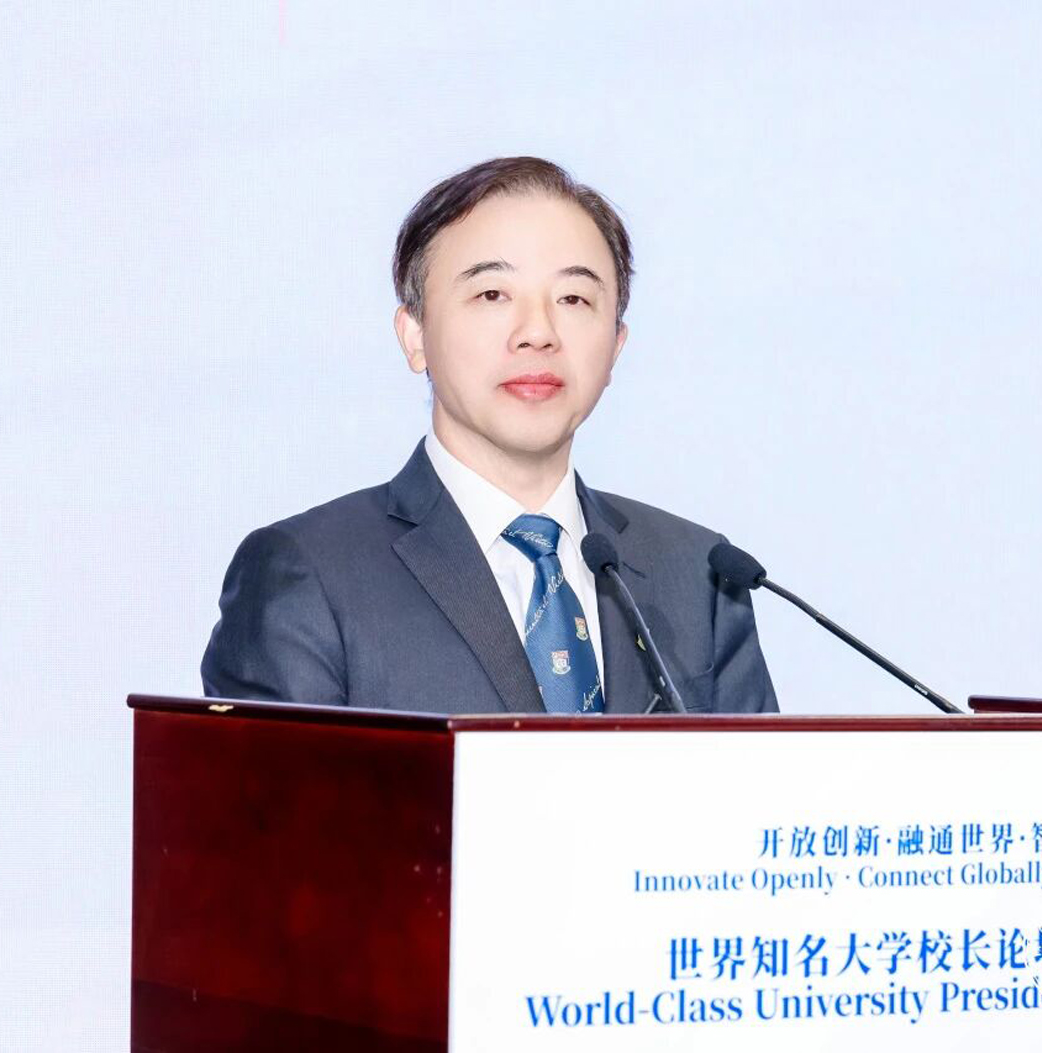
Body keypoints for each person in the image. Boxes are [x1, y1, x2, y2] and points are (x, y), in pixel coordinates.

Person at [200, 156, 778, 715]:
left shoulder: (699, 571)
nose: (538, 332)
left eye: (573, 298)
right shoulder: (308, 574)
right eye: (492, 294)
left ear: (616, 345)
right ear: (415, 336)